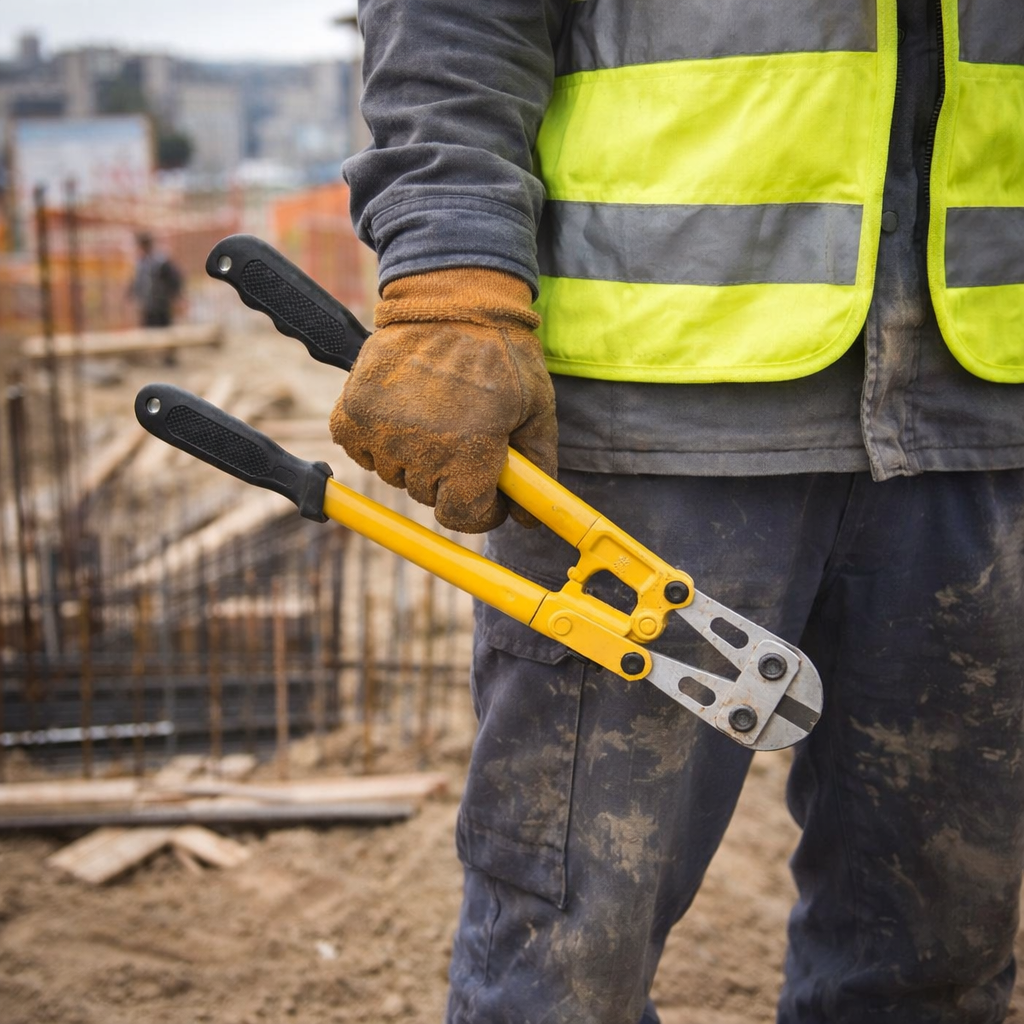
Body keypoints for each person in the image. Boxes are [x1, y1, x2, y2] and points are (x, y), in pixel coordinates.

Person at [330, 4, 1024, 1022]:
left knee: (939, 958)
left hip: (983, 399)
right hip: (648, 407)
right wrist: (452, 273)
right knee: (564, 971)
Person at [130, 231, 183, 329]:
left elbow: (174, 279)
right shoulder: (142, 263)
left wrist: (175, 297)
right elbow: (136, 283)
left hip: (161, 306)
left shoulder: (161, 261)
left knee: (163, 332)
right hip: (148, 307)